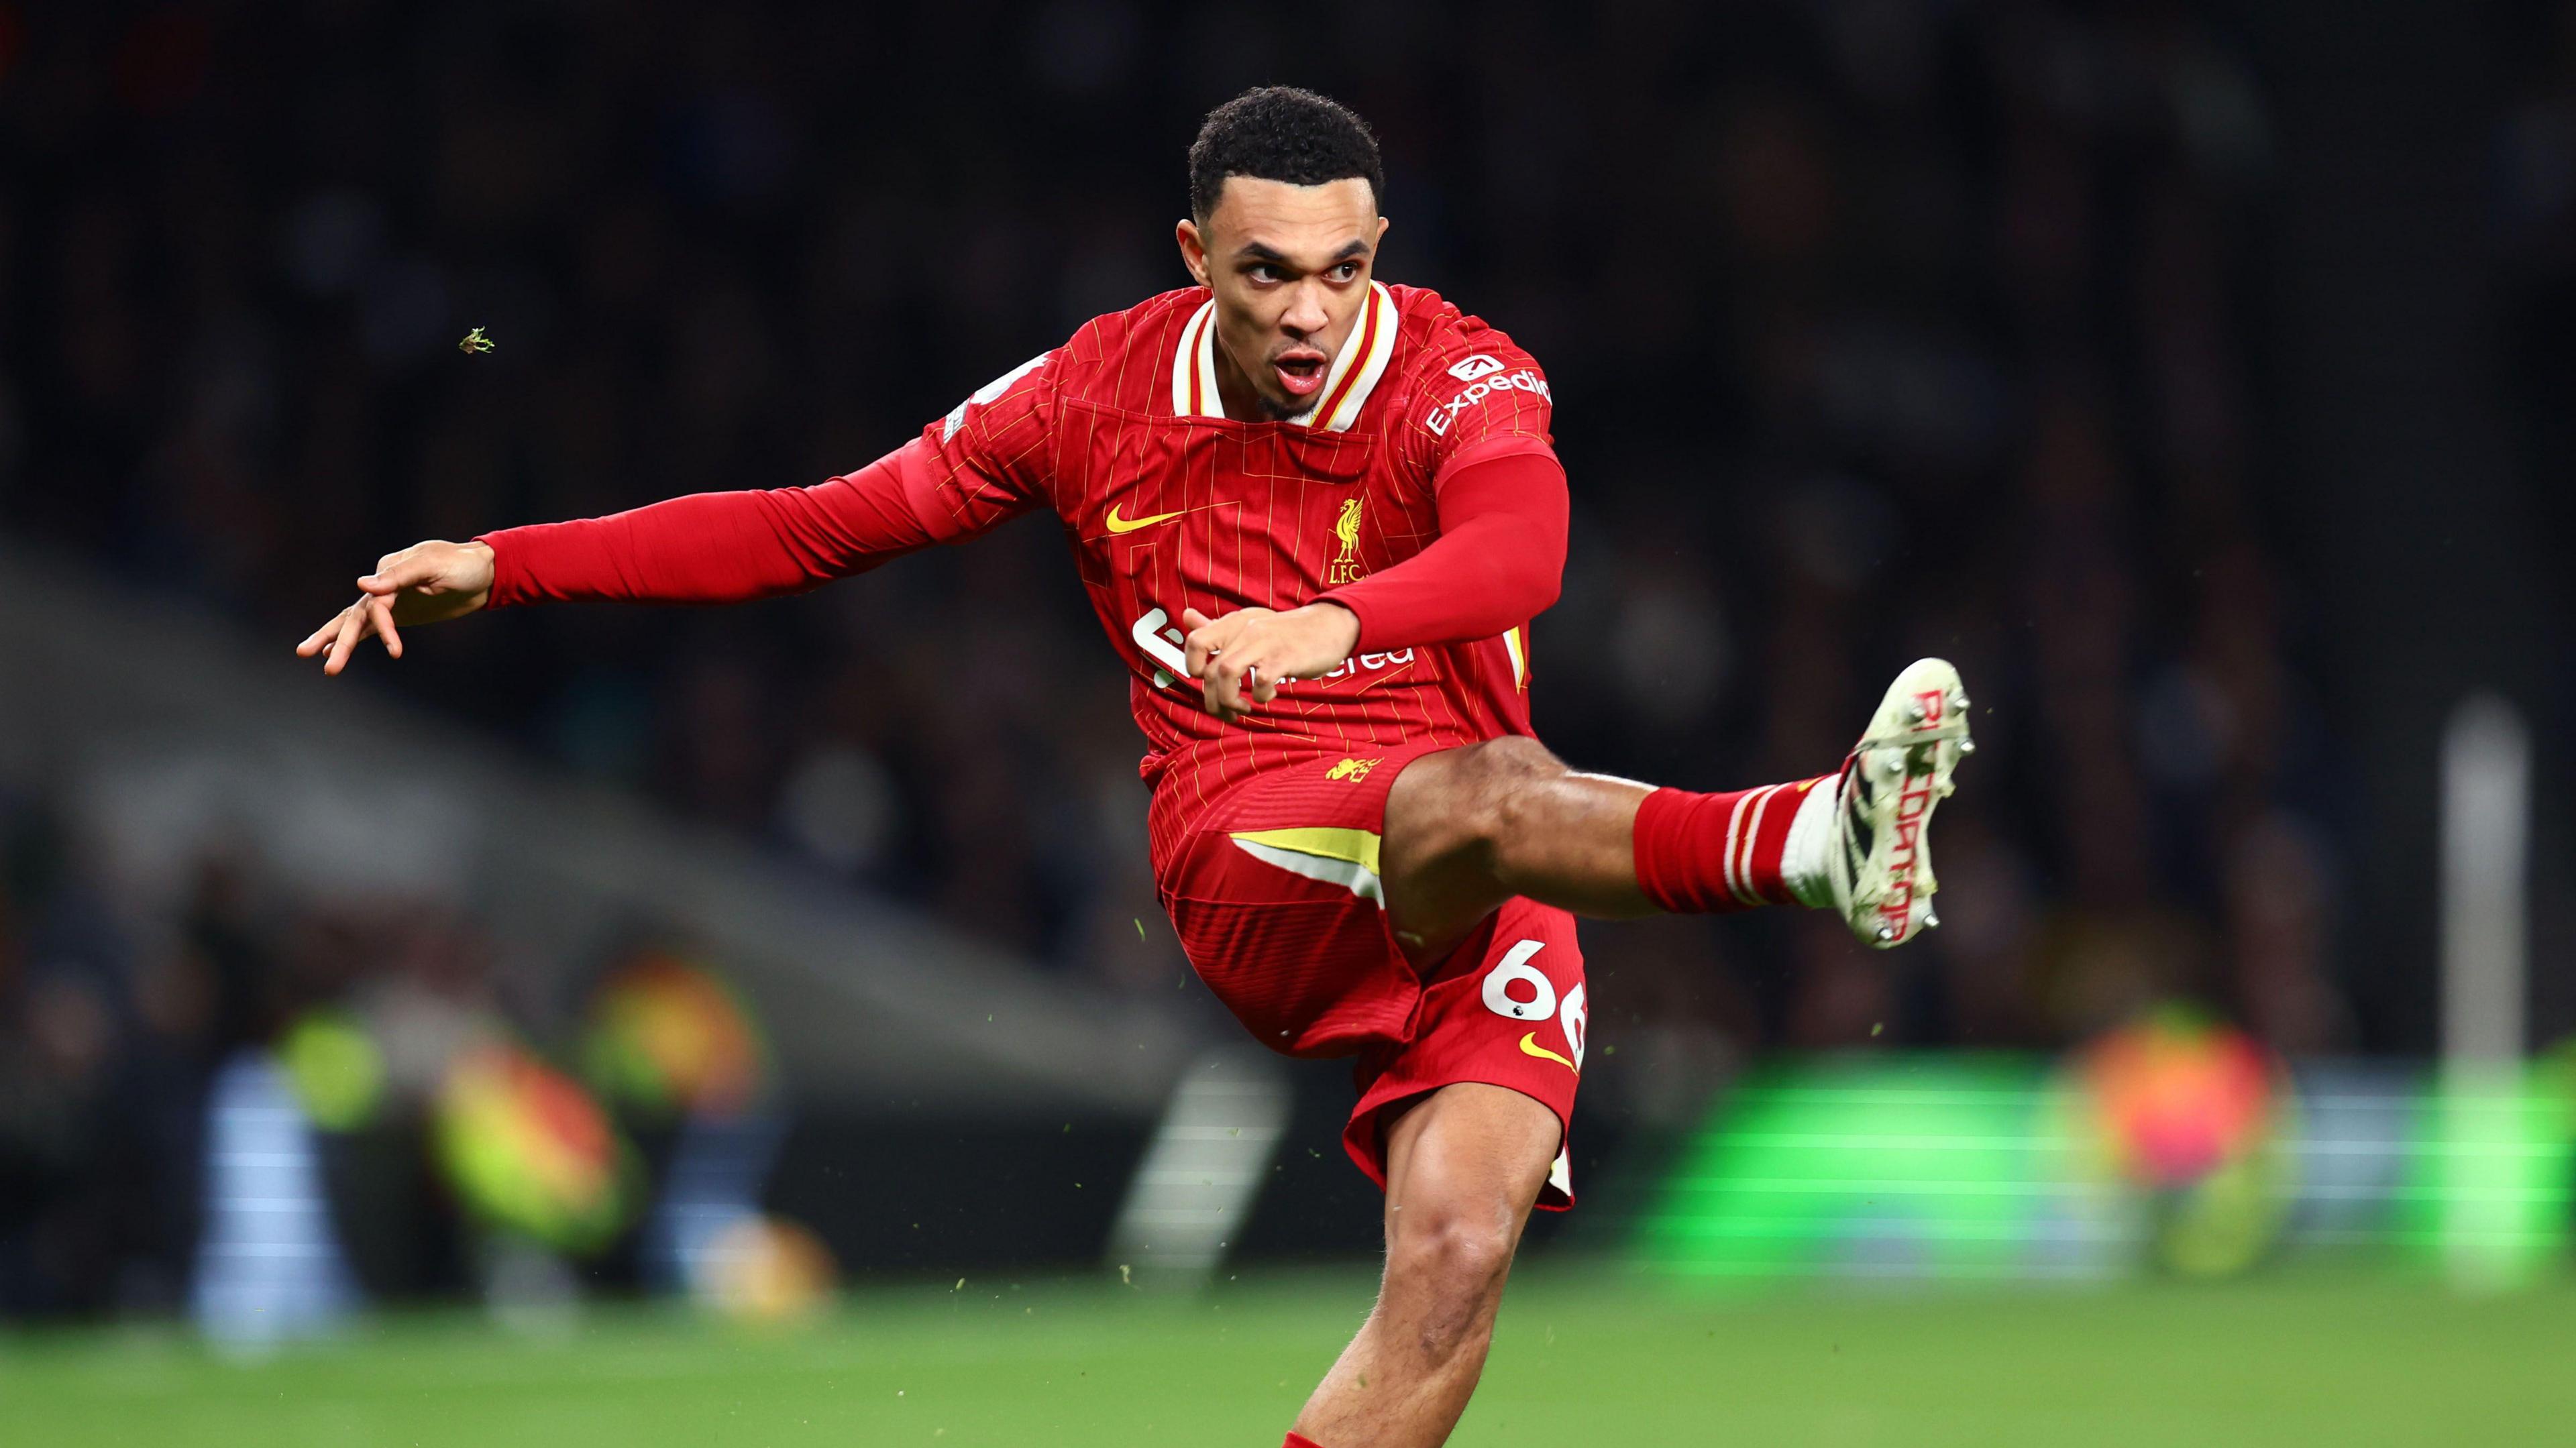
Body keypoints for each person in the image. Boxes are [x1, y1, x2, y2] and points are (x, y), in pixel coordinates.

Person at [297, 85, 1972, 1448]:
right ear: (1196, 254)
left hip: (1493, 877)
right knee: (1482, 784)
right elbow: (812, 530)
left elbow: (1523, 554)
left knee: (1454, 1261)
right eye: (1265, 275)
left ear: (1380, 250)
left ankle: (1820, 840)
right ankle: (1818, 839)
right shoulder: (1085, 398)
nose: (1310, 313)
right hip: (1255, 852)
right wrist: (507, 561)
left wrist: (1342, 621)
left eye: (1341, 269)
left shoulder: (1463, 368)